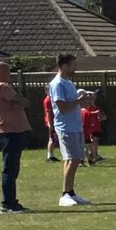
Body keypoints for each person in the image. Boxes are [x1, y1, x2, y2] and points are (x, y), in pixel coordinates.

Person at [0, 61, 33, 214]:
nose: (10, 75)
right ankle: (8, 203)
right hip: (10, 131)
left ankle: (11, 201)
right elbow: (22, 100)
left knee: (12, 168)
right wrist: (21, 102)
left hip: (8, 131)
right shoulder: (2, 87)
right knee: (10, 169)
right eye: (7, 72)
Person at [46, 53, 88, 206]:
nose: (75, 68)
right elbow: (62, 108)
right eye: (72, 65)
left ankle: (70, 193)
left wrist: (83, 102)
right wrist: (78, 100)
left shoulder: (69, 82)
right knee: (74, 159)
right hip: (66, 127)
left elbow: (72, 105)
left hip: (75, 126)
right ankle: (65, 194)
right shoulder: (57, 84)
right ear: (64, 66)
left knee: (71, 159)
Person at [79, 91, 105, 164]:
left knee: (87, 146)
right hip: (84, 132)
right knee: (85, 146)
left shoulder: (83, 111)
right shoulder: (84, 112)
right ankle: (84, 160)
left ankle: (90, 159)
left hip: (85, 131)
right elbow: (90, 118)